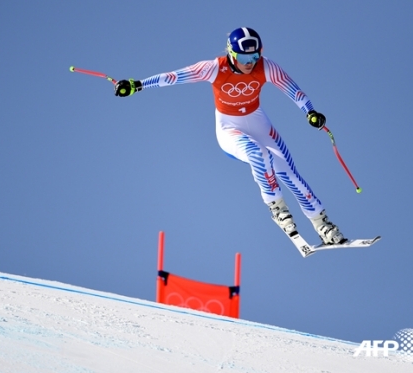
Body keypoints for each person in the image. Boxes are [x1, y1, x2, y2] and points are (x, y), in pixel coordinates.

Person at [114, 27, 346, 245]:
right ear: (231, 53)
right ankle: (277, 208)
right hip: (229, 127)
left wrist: (311, 113)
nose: (250, 63)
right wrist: (138, 85)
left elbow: (294, 91)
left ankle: (322, 223)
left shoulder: (266, 67)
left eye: (255, 57)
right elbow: (174, 77)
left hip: (257, 122)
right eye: (245, 59)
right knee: (259, 154)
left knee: (288, 173)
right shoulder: (214, 68)